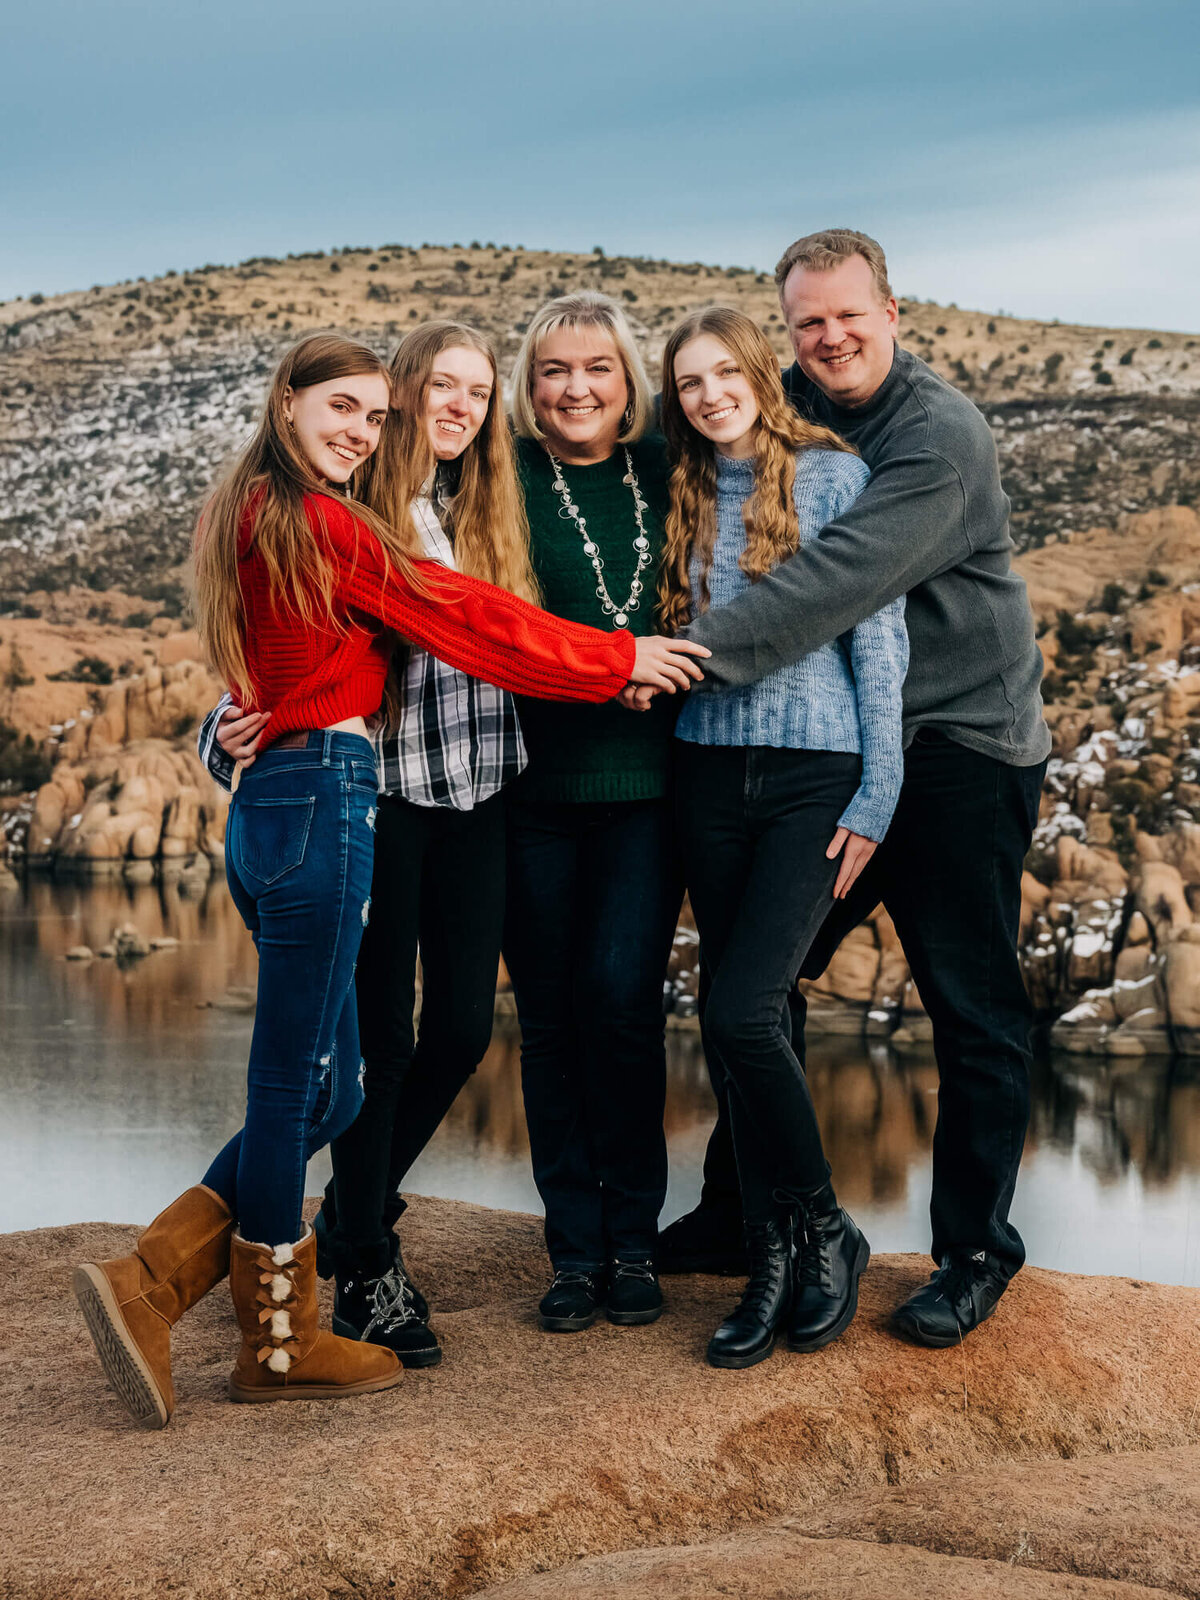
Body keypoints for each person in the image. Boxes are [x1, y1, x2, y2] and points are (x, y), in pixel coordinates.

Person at [74, 333, 707, 1429]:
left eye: (471, 391)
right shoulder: (335, 517)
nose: (373, 426)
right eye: (360, 406)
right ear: (293, 404)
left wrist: (251, 727)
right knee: (313, 1081)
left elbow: (290, 661)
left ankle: (170, 1275)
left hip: (368, 793)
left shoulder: (267, 506)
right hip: (341, 792)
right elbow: (459, 622)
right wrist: (616, 660)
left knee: (346, 1077)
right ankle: (283, 1312)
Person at [651, 230, 1050, 1349]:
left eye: (848, 316)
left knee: (969, 1006)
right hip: (826, 747)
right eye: (807, 322)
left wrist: (678, 661)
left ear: (893, 312)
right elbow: (694, 458)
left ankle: (975, 1253)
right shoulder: (776, 400)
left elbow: (835, 582)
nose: (829, 339)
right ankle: (747, 1211)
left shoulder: (938, 435)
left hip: (960, 743)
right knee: (755, 987)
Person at [199, 321, 541, 1368]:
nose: (458, 406)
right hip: (377, 796)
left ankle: (330, 1228)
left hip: (476, 791)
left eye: (478, 393)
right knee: (370, 1049)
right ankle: (360, 1255)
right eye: (438, 385)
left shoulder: (477, 515)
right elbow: (271, 654)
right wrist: (220, 729)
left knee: (459, 1037)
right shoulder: (349, 507)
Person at [660, 307, 906, 1367]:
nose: (711, 394)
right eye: (688, 383)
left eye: (726, 372)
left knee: (743, 1007)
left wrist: (876, 794)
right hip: (706, 773)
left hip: (815, 775)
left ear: (761, 372)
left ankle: (826, 1228)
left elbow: (880, 643)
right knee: (756, 1021)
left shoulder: (834, 480)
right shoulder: (676, 488)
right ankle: (773, 1256)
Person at [505, 292, 683, 1332]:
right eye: (554, 373)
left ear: (629, 382)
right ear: (529, 391)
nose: (576, 389)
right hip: (530, 792)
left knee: (620, 1000)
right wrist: (596, 668)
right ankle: (572, 1249)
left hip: (647, 794)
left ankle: (635, 1239)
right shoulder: (508, 480)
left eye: (597, 370)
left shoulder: (669, 470)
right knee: (549, 1018)